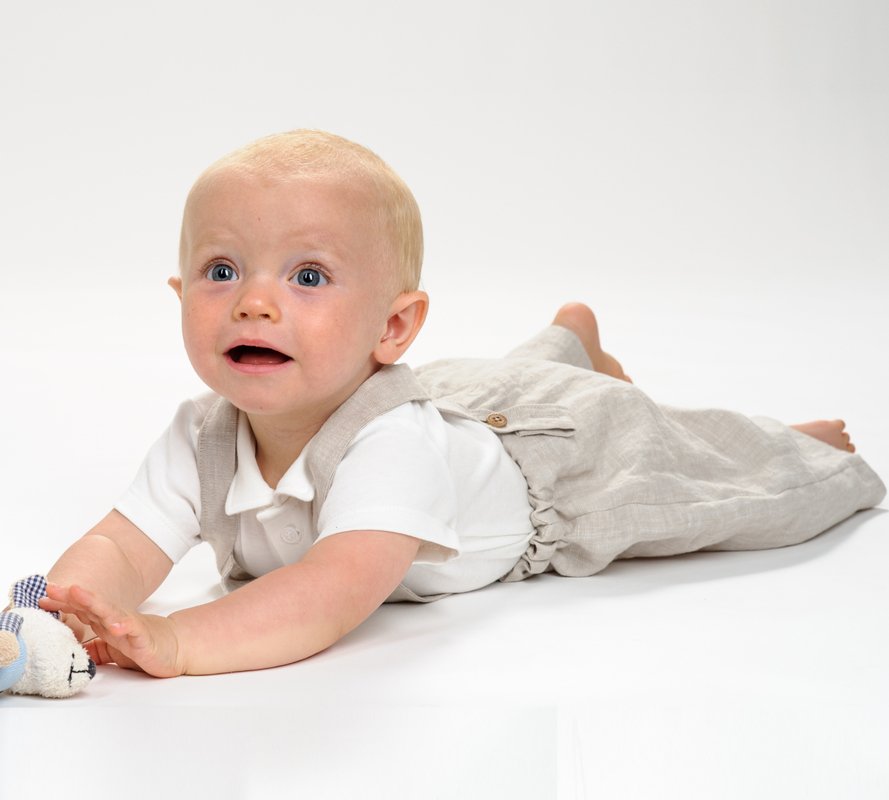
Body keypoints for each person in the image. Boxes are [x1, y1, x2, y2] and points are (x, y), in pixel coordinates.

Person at [34, 130, 885, 680]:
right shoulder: (200, 433)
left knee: (688, 468)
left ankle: (781, 443)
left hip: (554, 463)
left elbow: (329, 592)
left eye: (308, 276)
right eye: (222, 271)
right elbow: (120, 544)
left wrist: (179, 641)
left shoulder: (393, 447)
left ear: (391, 328)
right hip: (464, 405)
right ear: (181, 294)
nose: (254, 303)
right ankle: (571, 342)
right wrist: (70, 609)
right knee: (513, 380)